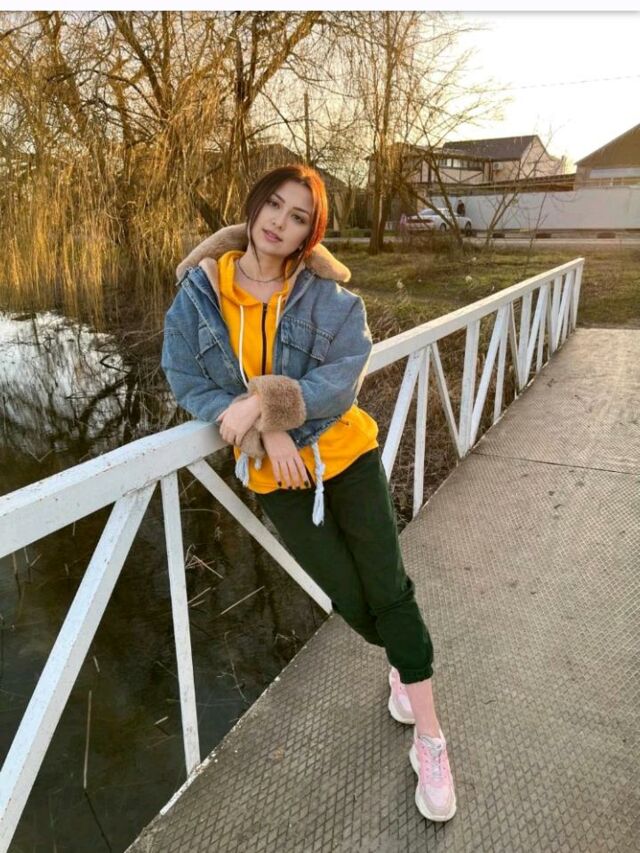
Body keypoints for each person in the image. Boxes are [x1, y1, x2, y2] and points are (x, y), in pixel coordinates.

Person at [161, 163, 457, 823]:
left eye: (299, 217)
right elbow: (184, 377)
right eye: (274, 204)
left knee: (389, 590)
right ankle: (404, 664)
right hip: (281, 480)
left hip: (348, 457)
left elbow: (342, 379)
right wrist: (264, 431)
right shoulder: (199, 296)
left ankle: (431, 736)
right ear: (253, 205)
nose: (280, 222)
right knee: (350, 599)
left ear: (309, 233)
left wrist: (269, 405)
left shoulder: (327, 297)